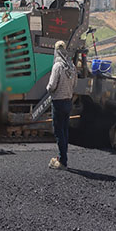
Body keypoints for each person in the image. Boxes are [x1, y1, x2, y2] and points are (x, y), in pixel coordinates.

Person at [46, 40, 77, 169]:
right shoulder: (72, 66)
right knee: (65, 131)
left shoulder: (57, 66)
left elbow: (52, 85)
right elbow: (75, 85)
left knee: (58, 132)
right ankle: (63, 157)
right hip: (68, 102)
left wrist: (47, 88)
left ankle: (62, 160)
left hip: (58, 102)